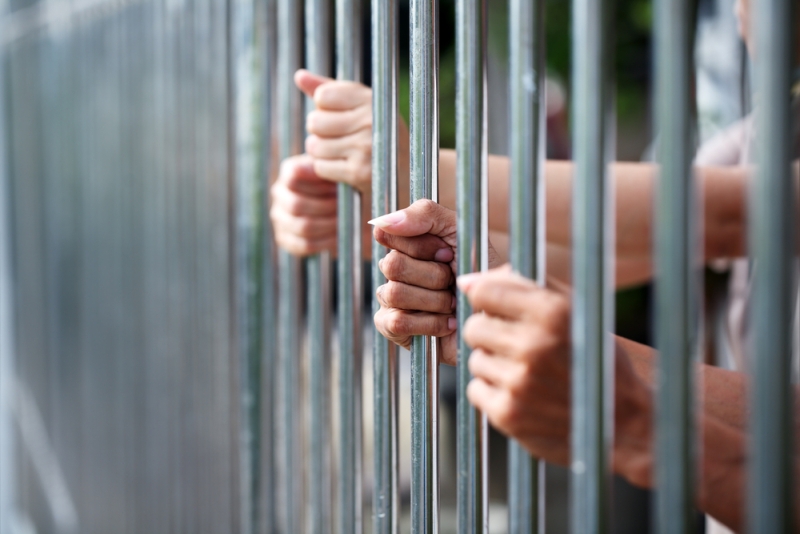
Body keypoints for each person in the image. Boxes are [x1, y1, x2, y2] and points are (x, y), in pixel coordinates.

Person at [270, 0, 799, 530]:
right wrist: (408, 231)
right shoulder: (769, 121)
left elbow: (729, 212)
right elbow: (612, 250)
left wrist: (419, 168)